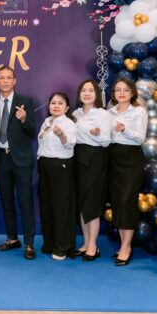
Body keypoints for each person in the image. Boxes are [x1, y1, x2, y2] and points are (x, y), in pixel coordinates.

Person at [0, 65, 37, 260]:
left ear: (14, 80)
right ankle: (12, 238)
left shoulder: (25, 102)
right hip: (1, 159)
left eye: (8, 77)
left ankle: (29, 244)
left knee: (26, 202)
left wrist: (24, 119)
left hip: (21, 160)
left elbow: (32, 131)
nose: (5, 81)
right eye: (1, 78)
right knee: (7, 201)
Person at [108, 77, 147, 266]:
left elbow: (140, 138)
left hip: (131, 159)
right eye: (118, 90)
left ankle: (126, 247)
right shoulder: (109, 112)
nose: (121, 93)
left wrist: (124, 130)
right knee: (117, 201)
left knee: (126, 200)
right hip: (112, 158)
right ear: (114, 93)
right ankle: (123, 245)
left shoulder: (139, 111)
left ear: (132, 92)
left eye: (125, 90)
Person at [71, 79, 111, 262]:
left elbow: (106, 141)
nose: (86, 94)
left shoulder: (103, 114)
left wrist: (98, 134)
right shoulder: (75, 114)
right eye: (83, 90)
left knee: (92, 203)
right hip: (77, 158)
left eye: (90, 90)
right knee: (81, 203)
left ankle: (93, 246)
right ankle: (86, 243)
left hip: (95, 159)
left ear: (96, 94)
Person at [37, 92, 77, 260]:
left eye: (60, 103)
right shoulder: (47, 121)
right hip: (44, 165)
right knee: (47, 206)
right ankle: (50, 243)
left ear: (67, 108)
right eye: (53, 102)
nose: (56, 106)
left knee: (61, 207)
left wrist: (61, 135)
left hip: (60, 166)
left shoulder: (69, 123)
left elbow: (70, 144)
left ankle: (63, 246)